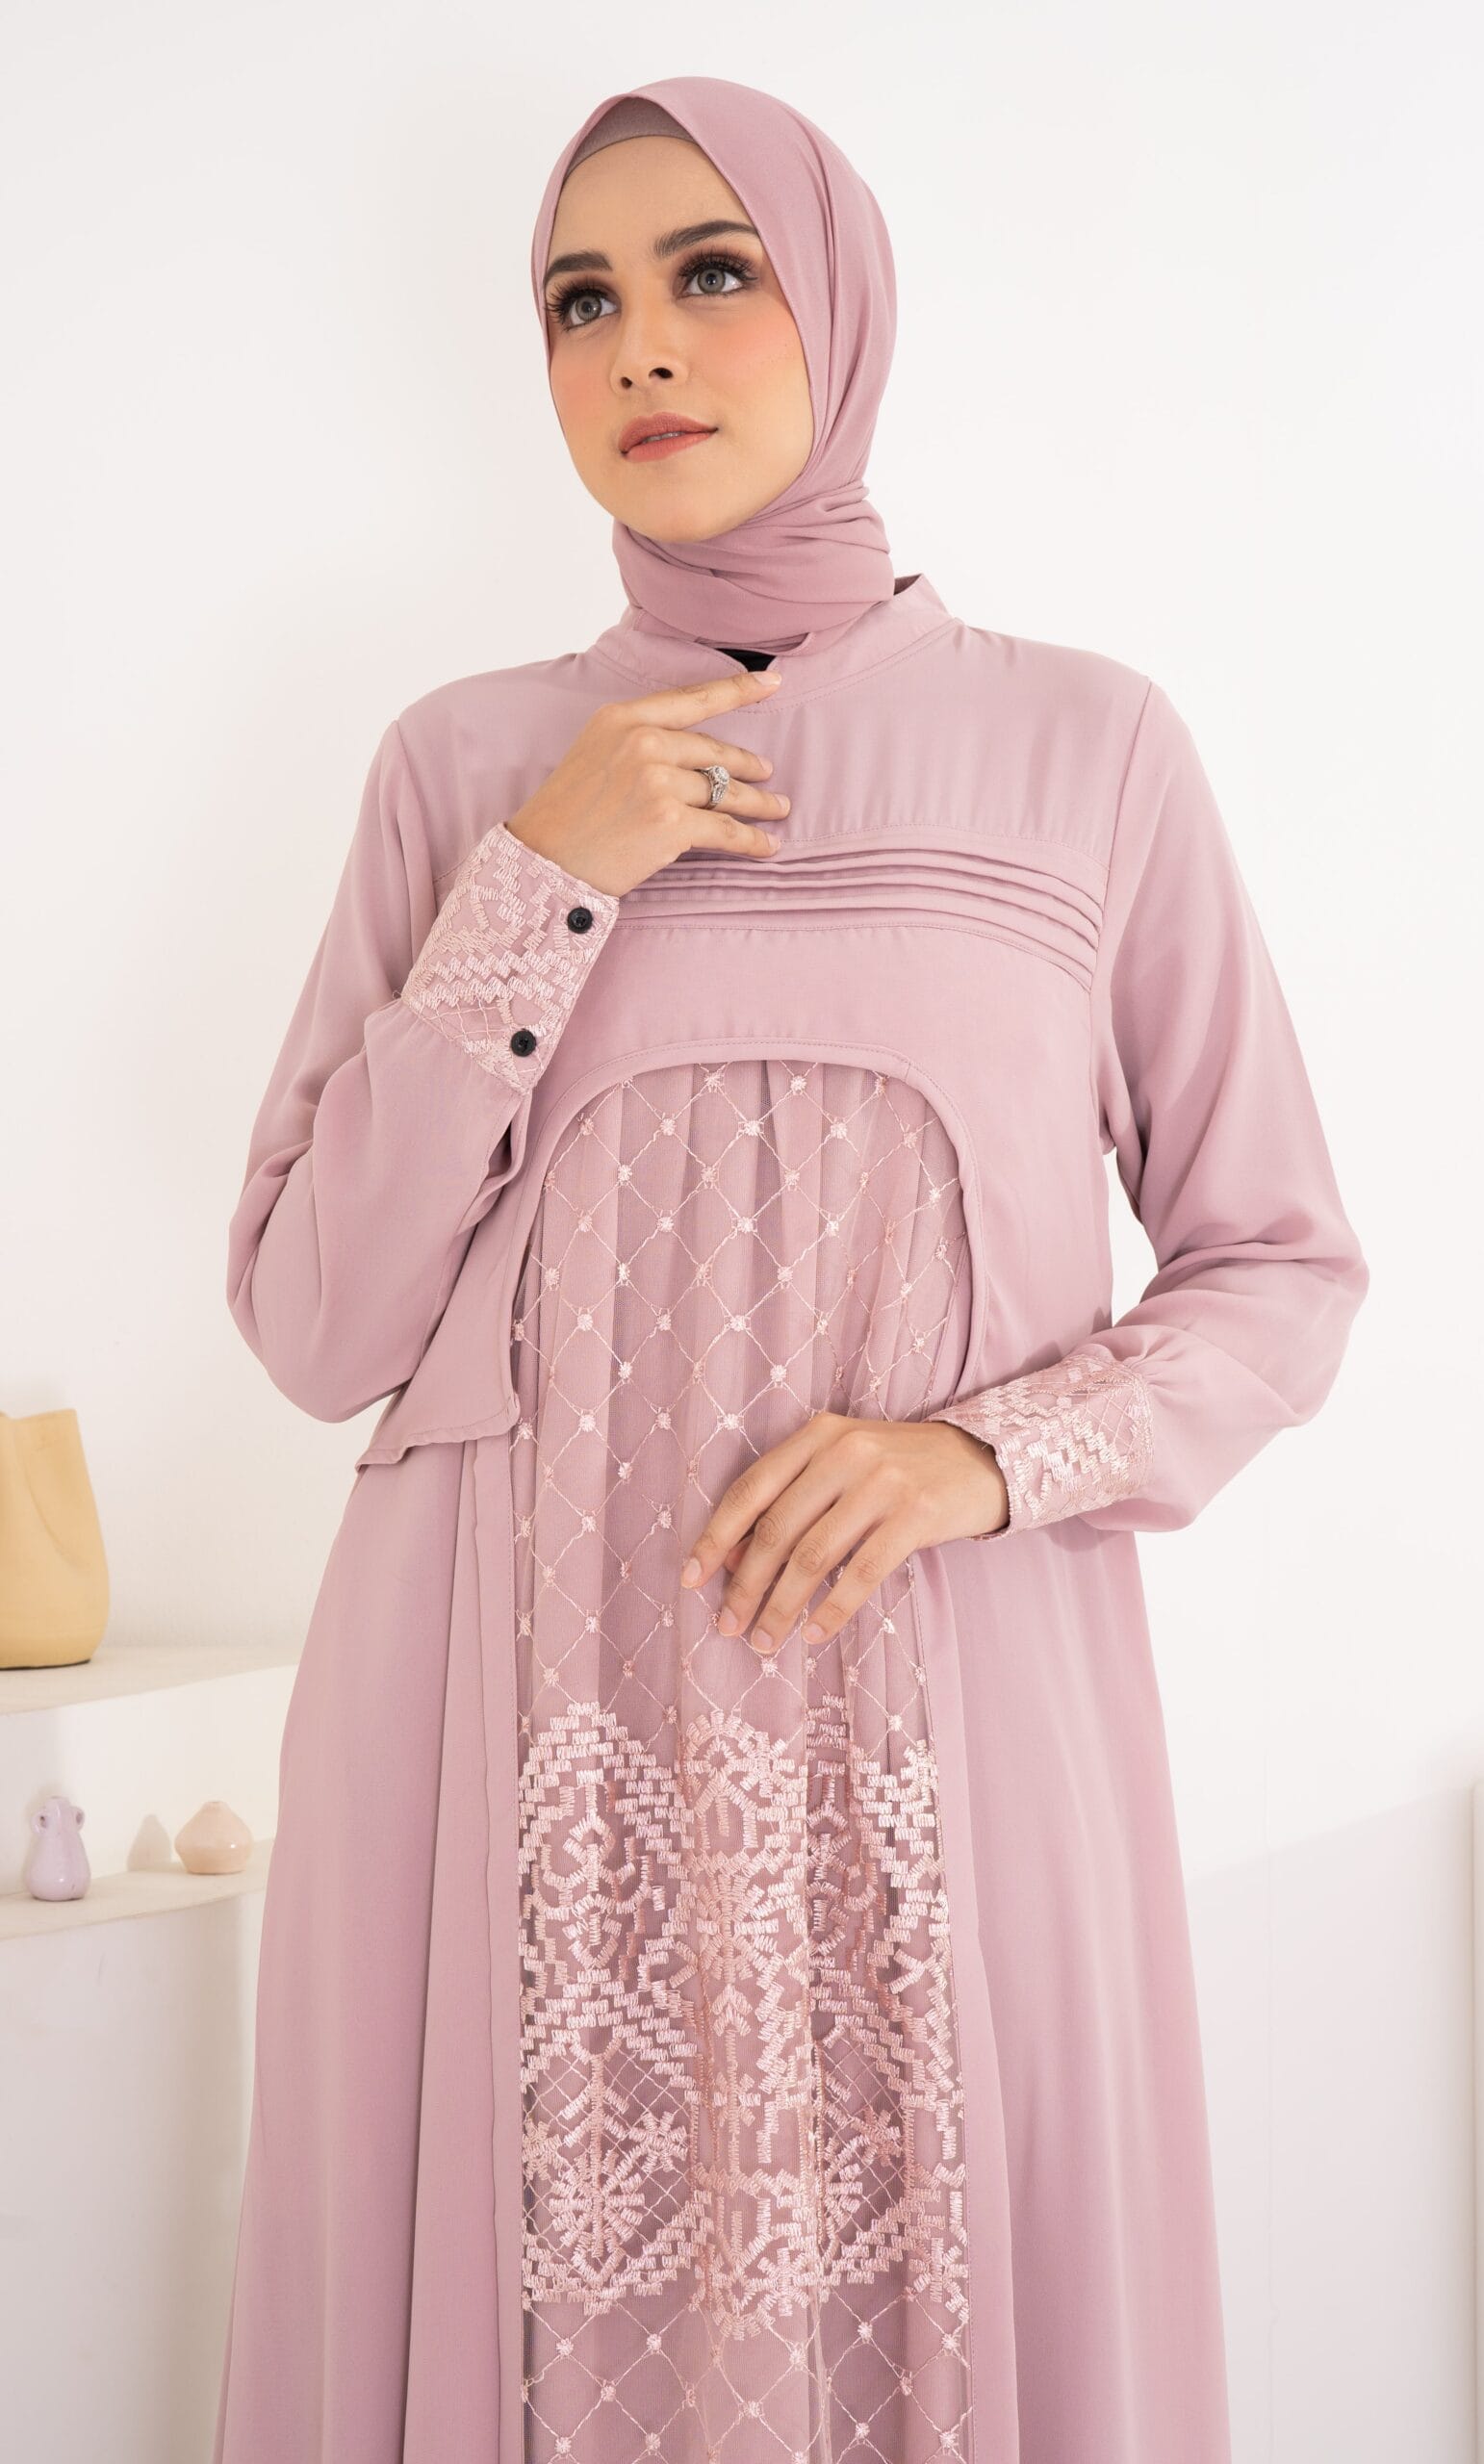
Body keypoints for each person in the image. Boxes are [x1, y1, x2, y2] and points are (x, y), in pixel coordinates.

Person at [212, 73, 1369, 2464]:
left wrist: (980, 1455)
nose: (641, 343)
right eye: (579, 300)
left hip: (944, 1731)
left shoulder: (1082, 751)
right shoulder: (466, 768)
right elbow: (313, 1322)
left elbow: (1276, 1262)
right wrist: (541, 877)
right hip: (498, 1750)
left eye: (712, 272)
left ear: (839, 307)